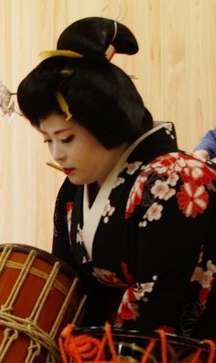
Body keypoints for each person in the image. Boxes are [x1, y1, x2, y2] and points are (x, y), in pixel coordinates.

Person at [17, 17, 216, 341]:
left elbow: (158, 299)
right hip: (108, 349)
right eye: (47, 140)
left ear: (107, 124)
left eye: (66, 138)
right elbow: (73, 288)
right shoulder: (74, 191)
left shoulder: (176, 179)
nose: (57, 153)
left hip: (179, 349)